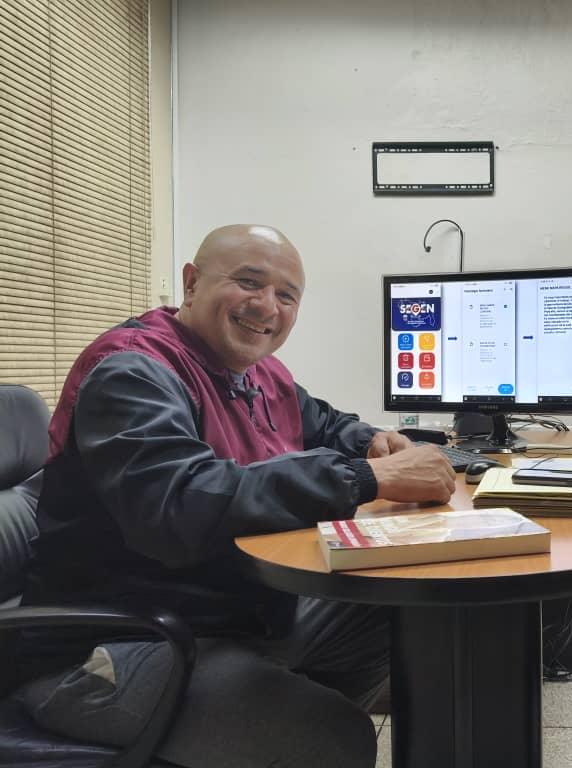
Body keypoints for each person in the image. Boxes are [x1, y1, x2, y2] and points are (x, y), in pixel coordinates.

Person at [16, 225, 456, 768]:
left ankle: (261, 724)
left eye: (287, 295)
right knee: (331, 736)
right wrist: (365, 480)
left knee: (399, 612)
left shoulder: (259, 372)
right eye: (249, 282)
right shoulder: (133, 371)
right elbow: (179, 507)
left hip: (231, 613)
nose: (267, 306)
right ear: (192, 283)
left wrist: (372, 442)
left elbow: (323, 423)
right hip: (117, 642)